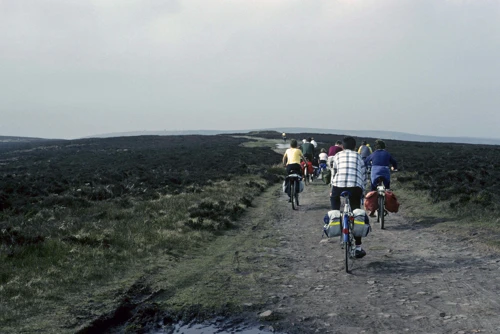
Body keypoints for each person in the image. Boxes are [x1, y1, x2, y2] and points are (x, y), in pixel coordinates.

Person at [329, 136, 368, 258]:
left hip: (338, 185)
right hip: (355, 186)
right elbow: (364, 173)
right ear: (355, 147)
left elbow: (334, 172)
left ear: (342, 146)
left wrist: (332, 188)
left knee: (334, 202)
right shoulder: (358, 156)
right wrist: (364, 189)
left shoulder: (337, 156)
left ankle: (335, 217)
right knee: (356, 213)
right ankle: (358, 246)